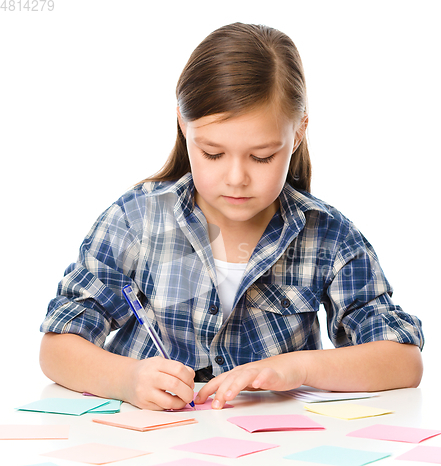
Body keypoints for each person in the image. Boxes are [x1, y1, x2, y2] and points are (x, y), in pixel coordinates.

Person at [39, 22, 424, 411]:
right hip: (150, 450)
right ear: (183, 125)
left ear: (299, 132)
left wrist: (298, 367)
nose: (237, 178)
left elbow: (403, 363)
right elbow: (56, 349)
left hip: (274, 456)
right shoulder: (135, 221)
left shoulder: (328, 237)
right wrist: (126, 379)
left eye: (262, 157)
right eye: (212, 153)